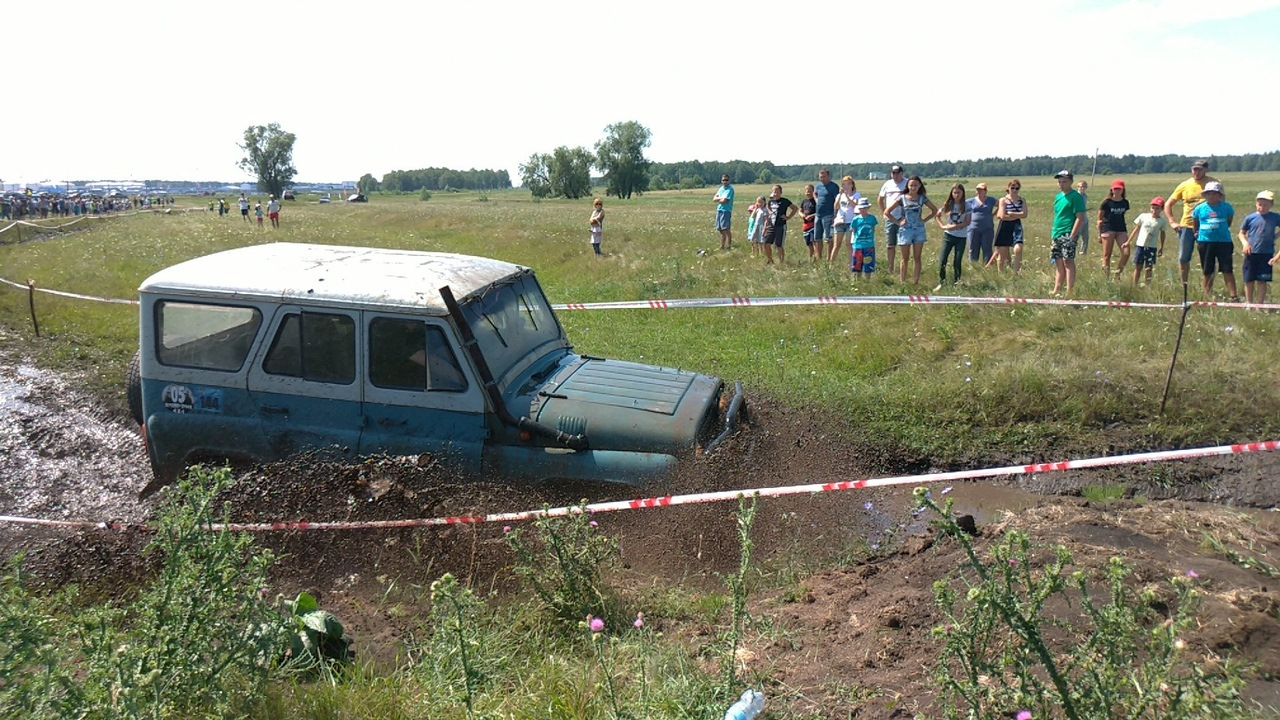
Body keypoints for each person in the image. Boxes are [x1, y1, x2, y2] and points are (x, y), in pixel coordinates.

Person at [1165, 159, 1219, 287]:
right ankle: (1184, 286)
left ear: (1206, 170)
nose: (1196, 172)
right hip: (1187, 227)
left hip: (1207, 227)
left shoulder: (1214, 183)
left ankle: (1207, 290)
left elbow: (1221, 204)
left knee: (1208, 259)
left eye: (1199, 169)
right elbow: (1168, 204)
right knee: (1183, 257)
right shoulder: (1184, 185)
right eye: (1194, 169)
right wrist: (1172, 221)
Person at [884, 175, 936, 285]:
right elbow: (887, 212)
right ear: (908, 186)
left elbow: (934, 210)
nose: (913, 187)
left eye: (915, 185)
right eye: (911, 185)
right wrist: (898, 222)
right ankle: (902, 281)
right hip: (905, 230)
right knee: (905, 258)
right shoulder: (901, 198)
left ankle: (915, 282)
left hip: (919, 230)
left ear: (919, 186)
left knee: (917, 257)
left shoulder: (922, 198)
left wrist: (924, 220)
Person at [1191, 181, 1236, 300]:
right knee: (1207, 270)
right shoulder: (1200, 208)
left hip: (1223, 242)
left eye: (1214, 193)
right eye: (1208, 193)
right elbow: (1195, 222)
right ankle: (1206, 295)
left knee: (1227, 269)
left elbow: (1229, 221)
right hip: (1205, 242)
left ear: (1220, 195)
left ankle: (1233, 295)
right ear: (1205, 195)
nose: (1211, 196)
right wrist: (1197, 234)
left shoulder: (1226, 207)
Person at [1239, 190, 1280, 305]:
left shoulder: (1275, 217)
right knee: (1249, 279)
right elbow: (1241, 233)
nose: (1262, 208)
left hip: (1266, 253)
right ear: (1256, 204)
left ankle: (1260, 304)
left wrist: (1275, 237)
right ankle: (1249, 303)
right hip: (1251, 252)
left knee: (1262, 280)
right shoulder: (1250, 218)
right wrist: (1245, 243)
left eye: (1265, 205)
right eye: (1260, 204)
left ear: (1271, 205)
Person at [1050, 170, 1086, 295]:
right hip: (1057, 232)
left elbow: (1080, 217)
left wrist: (1072, 235)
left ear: (1071, 181)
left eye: (1064, 181)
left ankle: (1069, 290)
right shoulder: (1058, 196)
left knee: (1068, 261)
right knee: (1058, 260)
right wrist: (1054, 232)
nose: (1061, 184)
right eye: (1059, 182)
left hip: (1068, 232)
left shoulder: (1076, 197)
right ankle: (1057, 289)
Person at [935, 183, 971, 290]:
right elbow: (937, 215)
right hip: (948, 236)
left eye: (959, 192)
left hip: (961, 237)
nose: (957, 195)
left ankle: (957, 282)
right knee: (942, 260)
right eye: (955, 192)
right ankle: (942, 282)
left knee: (957, 260)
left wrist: (954, 226)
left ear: (963, 193)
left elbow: (967, 222)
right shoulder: (947, 204)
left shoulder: (967, 205)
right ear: (951, 193)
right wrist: (942, 226)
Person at [1127, 196, 1170, 286]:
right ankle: (1134, 284)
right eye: (1153, 208)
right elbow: (1136, 229)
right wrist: (1128, 241)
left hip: (1152, 247)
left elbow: (1162, 234)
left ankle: (1147, 285)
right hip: (1140, 245)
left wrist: (1161, 247)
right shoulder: (1143, 217)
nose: (1154, 210)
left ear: (1161, 209)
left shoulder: (1162, 221)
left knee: (1149, 267)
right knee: (1138, 266)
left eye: (1157, 208)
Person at [987, 179, 1027, 273]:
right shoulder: (1003, 200)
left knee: (1018, 249)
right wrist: (1017, 215)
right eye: (1012, 187)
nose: (1014, 190)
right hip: (1005, 226)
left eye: (1017, 188)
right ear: (1008, 188)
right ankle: (1000, 273)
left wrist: (1011, 213)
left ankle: (1016, 272)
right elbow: (1001, 216)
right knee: (1002, 253)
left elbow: (1025, 214)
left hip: (1016, 226)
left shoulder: (1022, 200)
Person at [1098, 179, 1131, 279]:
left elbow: (1122, 215)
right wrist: (1099, 234)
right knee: (1107, 256)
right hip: (1108, 229)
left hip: (1121, 229)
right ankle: (1106, 278)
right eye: (1115, 189)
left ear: (1123, 190)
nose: (1117, 191)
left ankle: (1117, 274)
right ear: (1111, 190)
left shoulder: (1125, 203)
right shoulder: (1106, 203)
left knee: (1126, 253)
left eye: (1119, 189)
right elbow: (1099, 219)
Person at [878, 164, 908, 272]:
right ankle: (890, 268)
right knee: (890, 245)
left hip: (904, 218)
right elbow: (880, 199)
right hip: (890, 218)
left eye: (897, 173)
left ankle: (903, 269)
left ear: (901, 173)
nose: (895, 175)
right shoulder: (887, 184)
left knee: (903, 244)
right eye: (893, 173)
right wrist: (883, 213)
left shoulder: (907, 183)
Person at [762, 184, 798, 265]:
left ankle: (781, 262)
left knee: (779, 245)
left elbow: (795, 208)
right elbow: (767, 206)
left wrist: (788, 217)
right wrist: (769, 212)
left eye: (777, 192)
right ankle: (770, 260)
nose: (775, 193)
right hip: (771, 225)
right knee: (766, 243)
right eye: (774, 192)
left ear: (780, 192)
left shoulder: (785, 201)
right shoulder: (771, 201)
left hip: (781, 225)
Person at [830, 176, 860, 263]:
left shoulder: (856, 194)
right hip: (840, 221)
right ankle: (831, 265)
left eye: (848, 184)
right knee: (836, 244)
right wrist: (840, 196)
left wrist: (847, 196)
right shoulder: (839, 195)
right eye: (844, 184)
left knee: (849, 243)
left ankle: (852, 264)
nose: (846, 186)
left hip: (850, 222)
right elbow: (835, 207)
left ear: (852, 185)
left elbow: (855, 206)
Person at [966, 182, 997, 264]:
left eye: (981, 189)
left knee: (987, 249)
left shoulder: (991, 200)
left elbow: (1001, 204)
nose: (979, 191)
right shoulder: (971, 201)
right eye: (978, 189)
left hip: (987, 228)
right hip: (973, 228)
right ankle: (973, 267)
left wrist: (994, 214)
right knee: (973, 249)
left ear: (985, 191)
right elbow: (960, 205)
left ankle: (987, 267)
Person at [814, 168, 840, 261]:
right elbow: (815, 194)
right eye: (820, 177)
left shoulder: (834, 187)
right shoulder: (818, 186)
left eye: (824, 176)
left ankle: (829, 258)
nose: (822, 178)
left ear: (828, 176)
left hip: (828, 214)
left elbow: (838, 201)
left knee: (828, 238)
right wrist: (817, 200)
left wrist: (835, 215)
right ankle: (818, 258)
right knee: (817, 238)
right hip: (818, 214)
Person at [850, 197, 878, 280]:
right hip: (858, 245)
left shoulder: (872, 218)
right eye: (861, 208)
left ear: (868, 208)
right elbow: (854, 231)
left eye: (865, 208)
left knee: (868, 263)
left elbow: (873, 229)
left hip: (869, 245)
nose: (863, 210)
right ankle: (857, 280)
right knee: (857, 264)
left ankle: (867, 280)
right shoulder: (855, 219)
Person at [713, 174, 734, 250]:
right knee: (721, 230)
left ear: (729, 180)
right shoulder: (721, 189)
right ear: (721, 181)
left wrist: (719, 198)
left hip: (726, 211)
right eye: (723, 180)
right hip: (719, 210)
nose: (725, 181)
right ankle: (722, 246)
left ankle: (728, 245)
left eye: (726, 180)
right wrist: (720, 198)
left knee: (726, 229)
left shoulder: (730, 189)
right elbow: (714, 199)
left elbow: (724, 200)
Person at [800, 184, 819, 260]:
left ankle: (817, 258)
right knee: (809, 244)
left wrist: (812, 216)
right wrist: (802, 215)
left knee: (814, 242)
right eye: (807, 191)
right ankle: (810, 258)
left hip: (813, 224)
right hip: (805, 225)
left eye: (810, 191)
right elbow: (800, 210)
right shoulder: (804, 201)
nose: (808, 192)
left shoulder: (816, 201)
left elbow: (819, 211)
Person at [1076, 181, 1090, 255]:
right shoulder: (1076, 196)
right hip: (1077, 219)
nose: (1082, 188)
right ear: (1078, 187)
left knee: (1085, 237)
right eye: (1081, 186)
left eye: (1084, 186)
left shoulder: (1085, 196)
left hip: (1085, 219)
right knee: (1075, 236)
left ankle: (1083, 252)